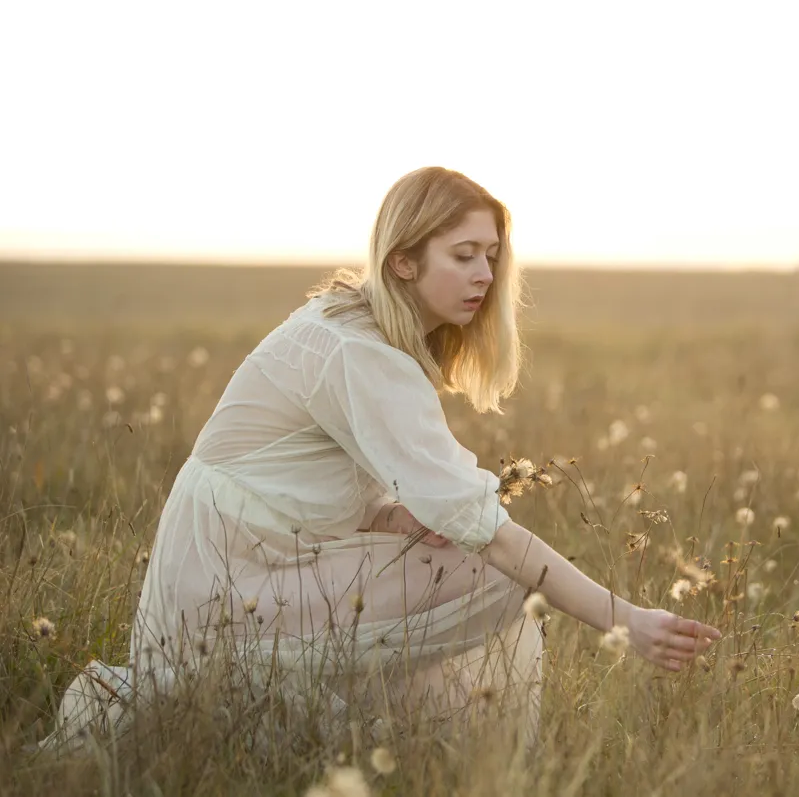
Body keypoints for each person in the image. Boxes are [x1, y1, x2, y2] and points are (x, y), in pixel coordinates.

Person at [38, 166, 721, 752]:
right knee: (494, 572)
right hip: (231, 572)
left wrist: (395, 516)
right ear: (403, 261)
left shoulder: (357, 326)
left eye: (491, 254)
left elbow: (301, 475)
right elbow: (495, 537)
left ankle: (404, 742)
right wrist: (627, 620)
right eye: (462, 255)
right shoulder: (360, 353)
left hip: (257, 553)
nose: (484, 274)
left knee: (456, 563)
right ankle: (433, 745)